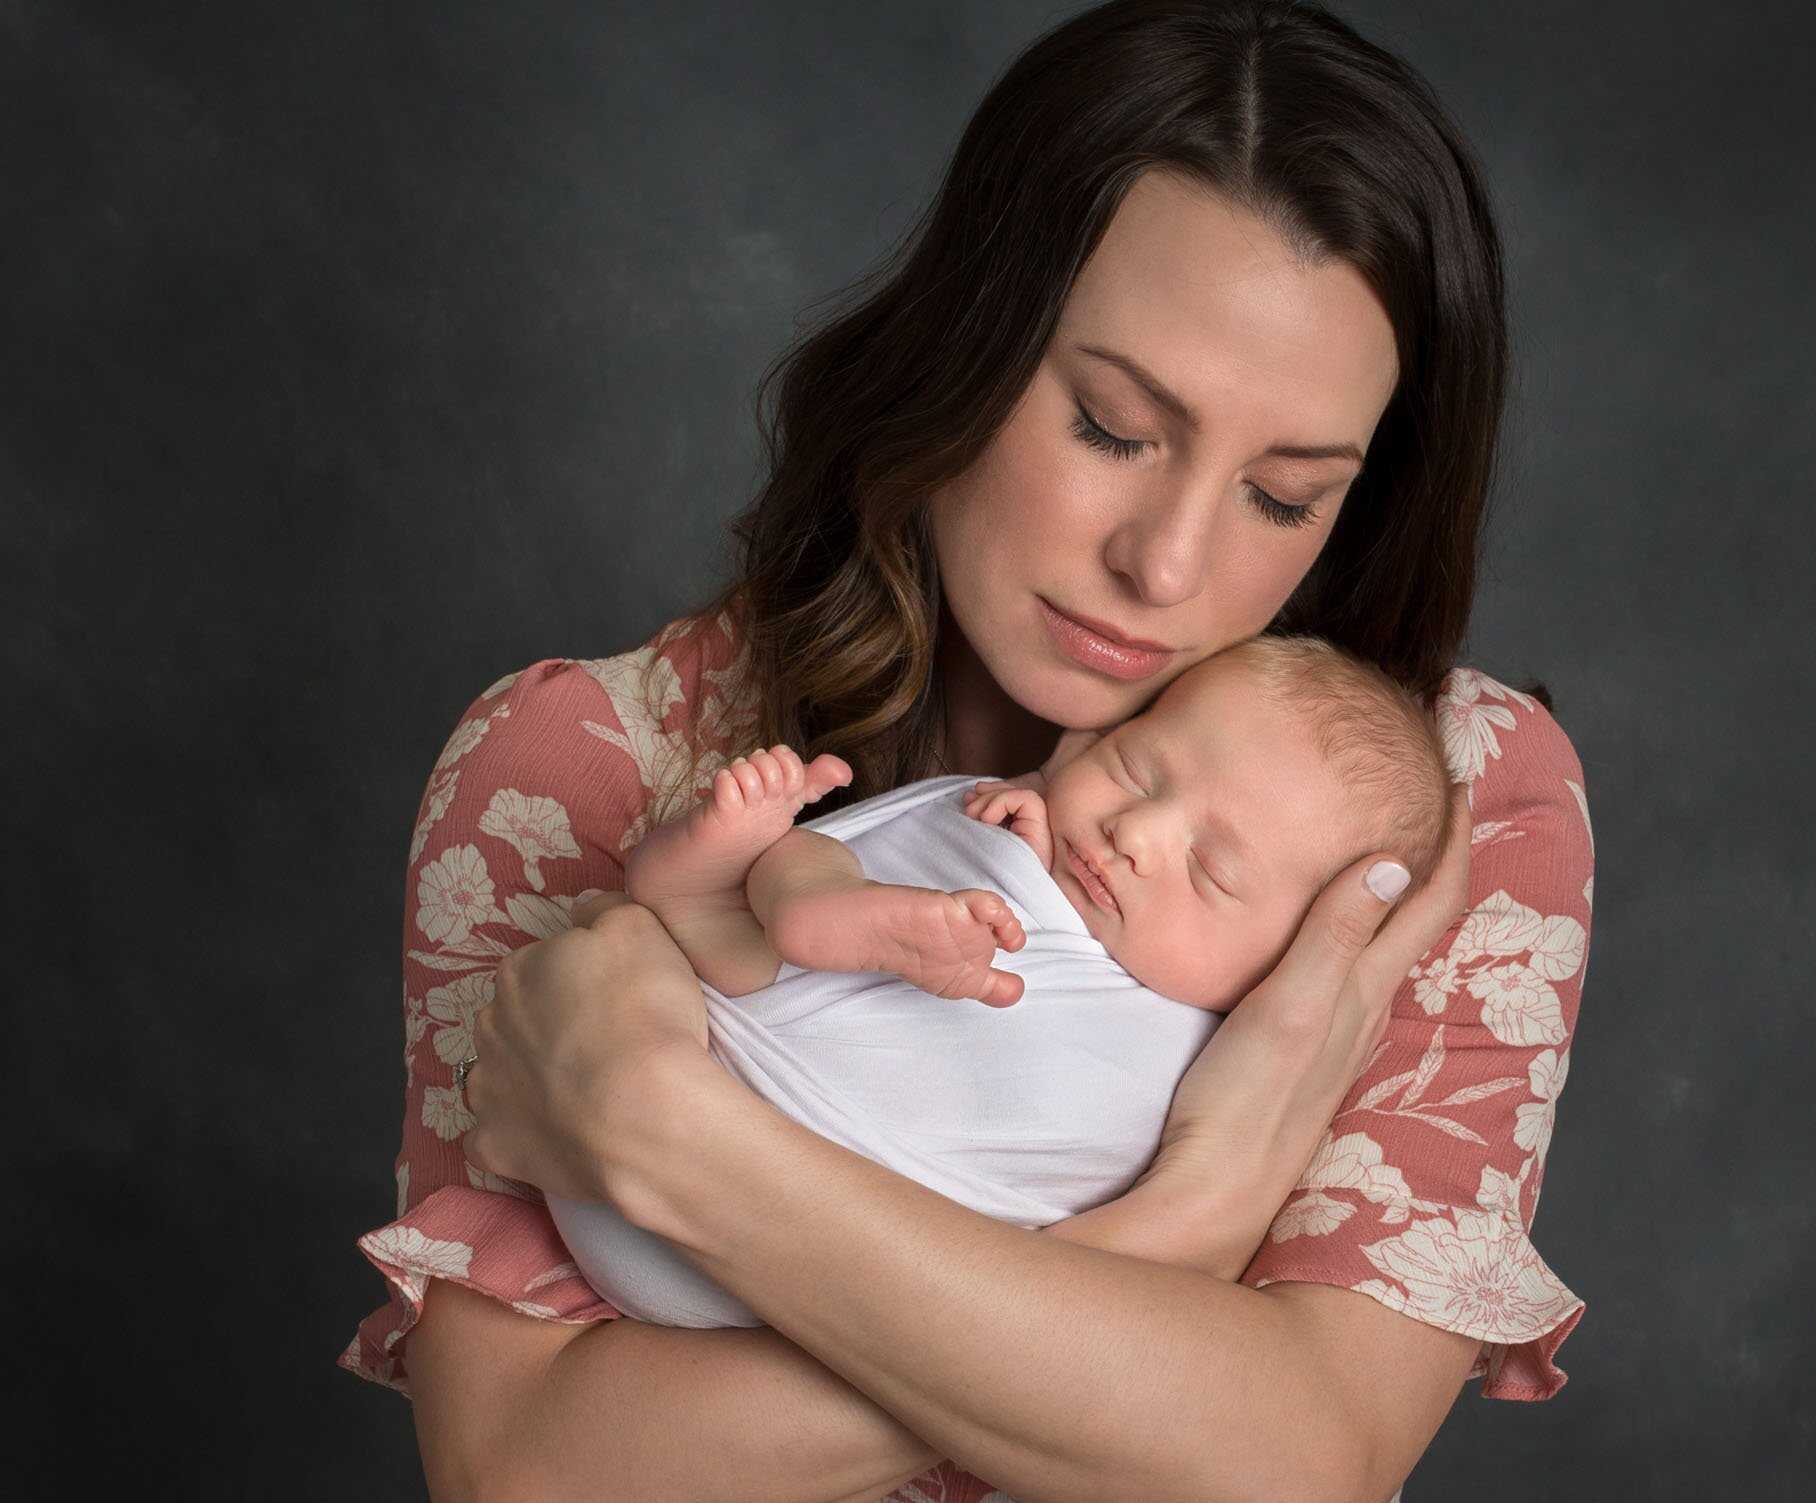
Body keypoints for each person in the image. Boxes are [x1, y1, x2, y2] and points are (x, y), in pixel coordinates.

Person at [342, 3, 1594, 1498]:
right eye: (1114, 427)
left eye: (1283, 494)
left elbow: (1296, 1458)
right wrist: (1174, 1239)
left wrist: (668, 1131)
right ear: (963, 342)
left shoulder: (1434, 814)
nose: (1167, 564)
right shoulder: (586, 762)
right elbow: (526, 1472)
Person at [543, 636, 1457, 1332]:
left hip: (811, 1265)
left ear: (1302, 949)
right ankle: (764, 900)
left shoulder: (1229, 1052)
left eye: (1212, 870)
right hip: (680, 1098)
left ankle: (774, 909)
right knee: (803, 865)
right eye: (1137, 768)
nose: (1138, 831)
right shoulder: (1005, 819)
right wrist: (1007, 827)